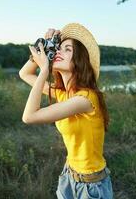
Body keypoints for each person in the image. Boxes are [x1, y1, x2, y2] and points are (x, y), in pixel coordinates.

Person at [19, 23, 113, 199]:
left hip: (91, 187)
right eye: (58, 48)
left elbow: (29, 116)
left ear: (79, 60)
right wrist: (45, 48)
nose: (59, 52)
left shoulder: (85, 99)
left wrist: (44, 69)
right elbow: (24, 74)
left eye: (67, 49)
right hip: (68, 177)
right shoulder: (64, 94)